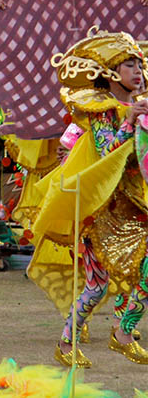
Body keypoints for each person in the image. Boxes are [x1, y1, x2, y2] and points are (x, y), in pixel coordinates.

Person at [26, 30, 148, 367]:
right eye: (128, 64)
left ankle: (123, 332)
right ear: (110, 72)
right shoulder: (101, 110)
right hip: (99, 207)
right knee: (97, 285)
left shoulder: (141, 105)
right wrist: (131, 120)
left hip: (135, 204)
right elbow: (109, 150)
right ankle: (66, 344)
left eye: (139, 63)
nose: (137, 70)